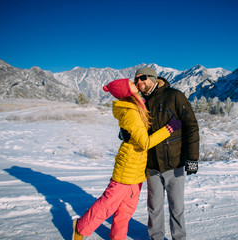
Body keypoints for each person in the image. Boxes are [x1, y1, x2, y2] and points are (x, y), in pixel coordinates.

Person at [72, 78, 182, 240]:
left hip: (137, 169)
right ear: (126, 91)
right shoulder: (131, 111)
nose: (135, 83)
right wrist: (169, 128)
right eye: (130, 83)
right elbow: (145, 142)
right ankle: (80, 228)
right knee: (108, 204)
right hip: (127, 167)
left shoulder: (137, 105)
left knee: (126, 210)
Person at [134, 67, 200, 240]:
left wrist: (192, 157)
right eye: (136, 80)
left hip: (175, 162)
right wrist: (124, 133)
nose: (139, 82)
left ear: (153, 78)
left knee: (177, 208)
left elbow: (191, 125)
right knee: (154, 208)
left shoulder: (174, 96)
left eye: (142, 78)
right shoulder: (140, 103)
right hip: (151, 165)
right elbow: (135, 129)